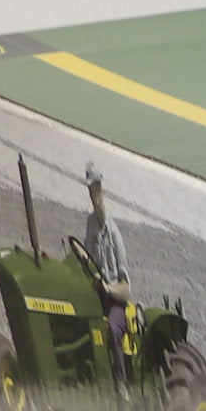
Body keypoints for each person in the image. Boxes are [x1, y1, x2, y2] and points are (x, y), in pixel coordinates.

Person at [82, 162, 132, 391]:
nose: (94, 195)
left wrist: (109, 288)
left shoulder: (114, 234)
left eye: (96, 188)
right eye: (90, 189)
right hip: (96, 295)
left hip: (114, 301)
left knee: (112, 327)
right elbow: (87, 256)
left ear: (101, 189)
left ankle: (121, 383)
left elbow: (125, 288)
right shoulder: (90, 224)